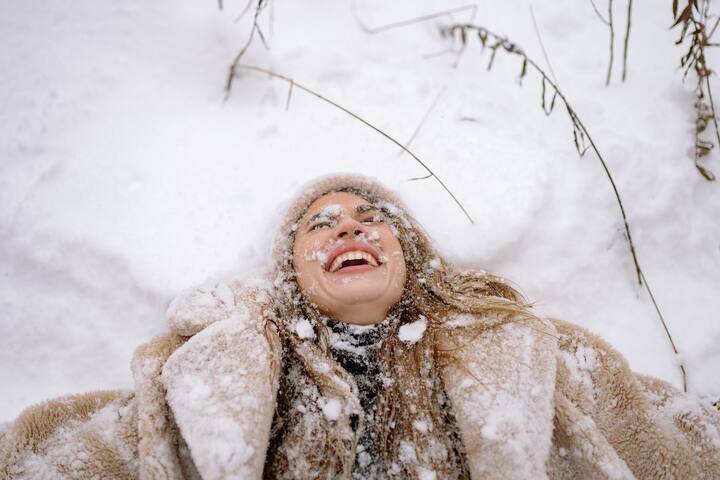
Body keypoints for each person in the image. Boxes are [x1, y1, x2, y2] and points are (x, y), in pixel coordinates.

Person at [1, 174, 719, 480]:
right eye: (323, 224)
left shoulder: (521, 346)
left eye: (372, 218)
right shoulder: (225, 368)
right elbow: (104, 448)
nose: (350, 226)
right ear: (294, 271)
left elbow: (656, 428)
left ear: (410, 256)